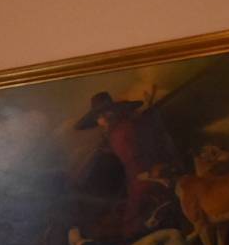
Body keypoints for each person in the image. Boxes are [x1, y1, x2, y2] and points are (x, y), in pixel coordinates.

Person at [75, 87, 176, 235]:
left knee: (131, 225)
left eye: (103, 114)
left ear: (111, 113)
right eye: (98, 117)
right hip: (137, 179)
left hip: (146, 178)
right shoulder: (115, 133)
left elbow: (138, 159)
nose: (101, 120)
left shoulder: (121, 132)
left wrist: (145, 176)